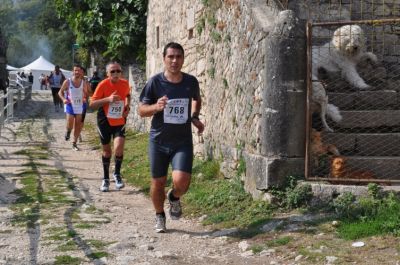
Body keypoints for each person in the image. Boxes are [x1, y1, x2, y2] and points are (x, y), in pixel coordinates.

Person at [138, 42, 205, 233]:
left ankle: (174, 197)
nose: (175, 61)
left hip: (181, 142)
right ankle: (159, 215)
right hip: (158, 141)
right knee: (157, 182)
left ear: (183, 59)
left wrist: (194, 117)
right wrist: (155, 107)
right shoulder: (155, 82)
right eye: (171, 57)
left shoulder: (191, 82)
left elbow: (196, 99)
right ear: (164, 59)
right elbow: (141, 110)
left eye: (178, 57)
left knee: (182, 182)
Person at [89, 62, 131, 192]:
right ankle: (106, 178)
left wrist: (127, 106)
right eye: (112, 71)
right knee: (107, 151)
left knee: (118, 147)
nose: (116, 74)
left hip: (119, 119)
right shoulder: (103, 85)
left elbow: (128, 95)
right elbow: (92, 104)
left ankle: (117, 174)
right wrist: (108, 99)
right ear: (107, 74)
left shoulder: (124, 83)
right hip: (104, 120)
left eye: (118, 71)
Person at [58, 64, 89, 151]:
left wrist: (84, 98)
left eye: (78, 70)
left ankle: (74, 143)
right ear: (73, 71)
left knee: (78, 125)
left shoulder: (84, 82)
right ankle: (68, 131)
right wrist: (64, 99)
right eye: (75, 70)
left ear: (81, 72)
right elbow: (60, 92)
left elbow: (86, 94)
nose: (77, 72)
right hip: (70, 105)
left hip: (80, 106)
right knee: (70, 125)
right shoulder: (67, 81)